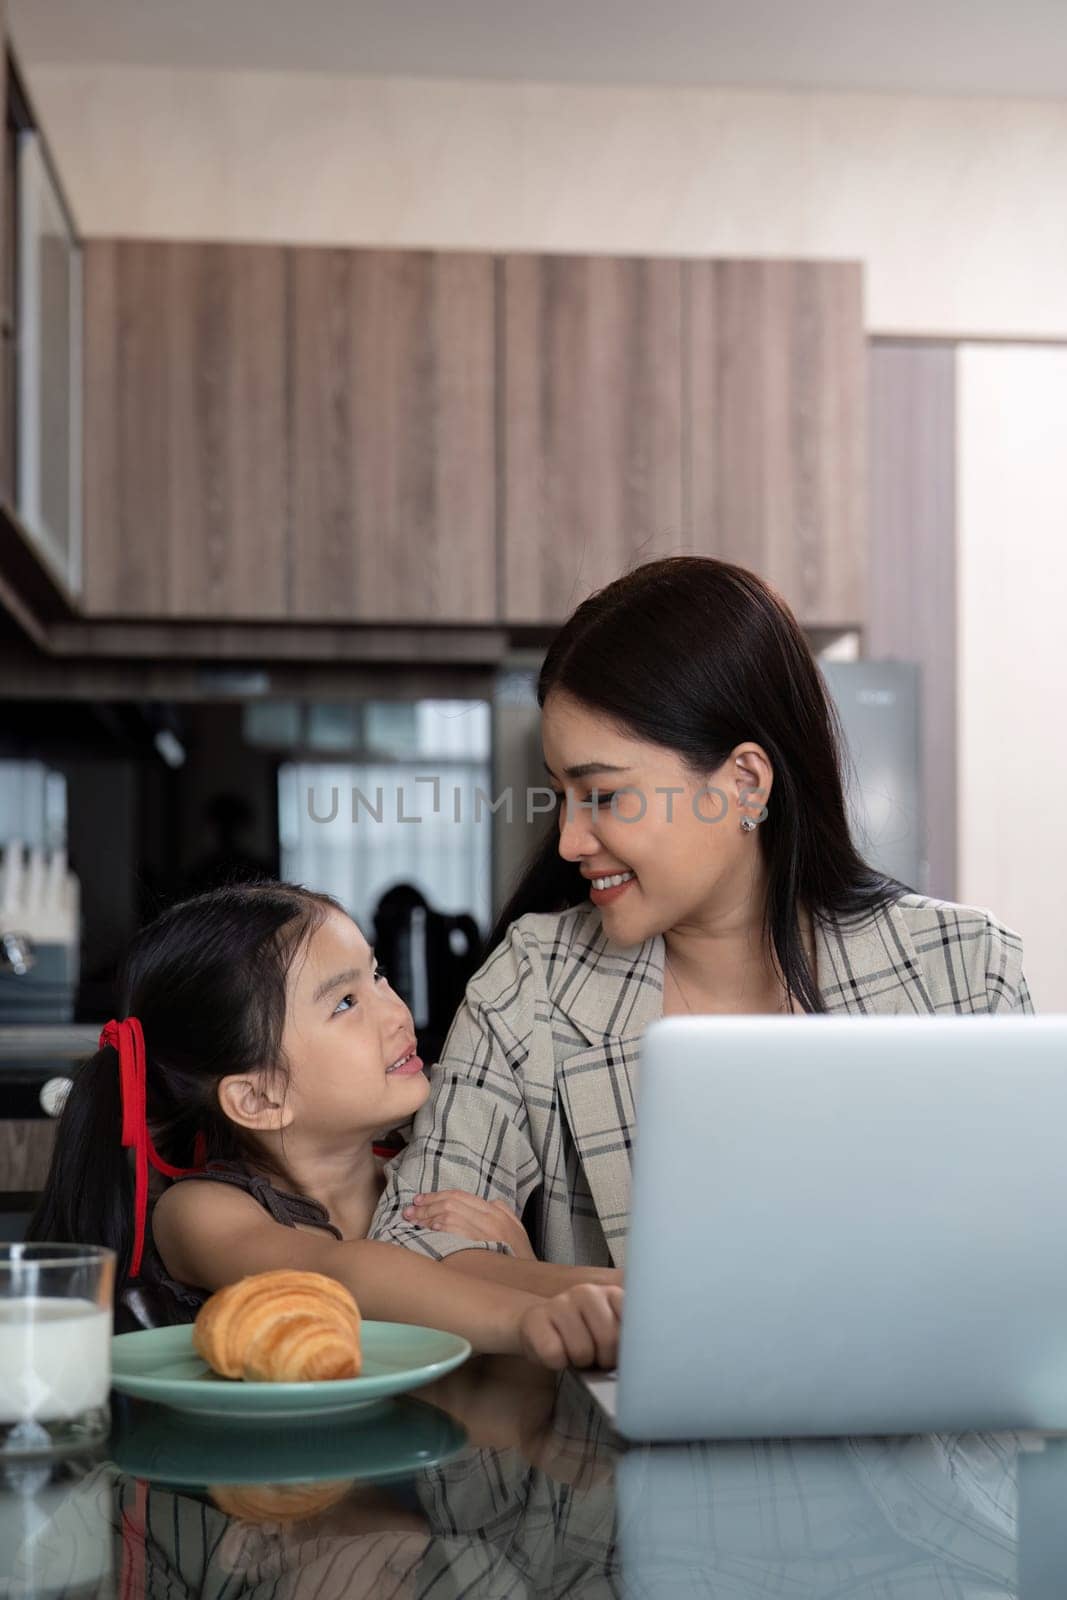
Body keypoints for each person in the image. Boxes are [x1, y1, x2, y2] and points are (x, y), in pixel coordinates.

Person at [368, 555, 1035, 1274]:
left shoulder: (964, 970)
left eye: (604, 796)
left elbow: (1029, 1251)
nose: (567, 839)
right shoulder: (535, 981)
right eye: (560, 793)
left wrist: (547, 1279)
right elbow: (412, 1238)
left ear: (741, 783)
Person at [27, 881, 621, 1370]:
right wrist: (526, 1311)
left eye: (378, 975)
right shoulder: (201, 1212)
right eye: (344, 1003)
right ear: (260, 1097)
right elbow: (340, 1275)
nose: (396, 1012)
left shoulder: (419, 1174)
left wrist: (530, 1268)